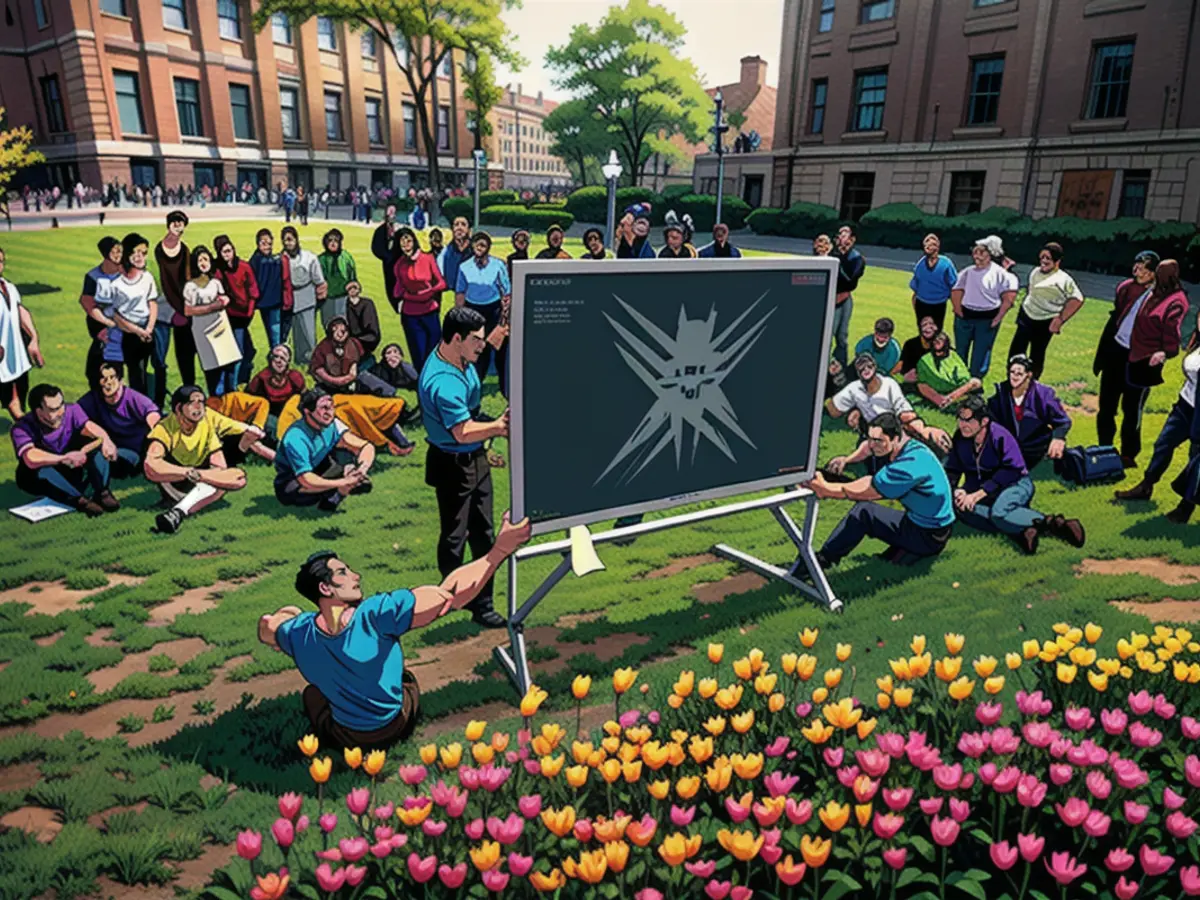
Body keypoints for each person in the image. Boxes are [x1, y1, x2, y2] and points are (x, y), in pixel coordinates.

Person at [257, 509, 533, 749]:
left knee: (313, 694)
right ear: (325, 588)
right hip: (392, 725)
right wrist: (498, 551)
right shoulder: (376, 614)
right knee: (405, 678)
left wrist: (289, 615)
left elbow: (267, 628)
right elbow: (448, 595)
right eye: (343, 572)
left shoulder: (299, 632)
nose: (356, 576)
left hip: (343, 734)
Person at [419, 306, 509, 629]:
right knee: (455, 538)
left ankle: (483, 604)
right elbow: (462, 432)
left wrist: (498, 334)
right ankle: (450, 598)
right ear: (457, 339)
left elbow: (483, 354)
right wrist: (498, 427)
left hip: (475, 461)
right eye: (476, 341)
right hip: (453, 465)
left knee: (484, 533)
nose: (482, 346)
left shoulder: (460, 356)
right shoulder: (443, 383)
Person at [806, 413, 955, 568]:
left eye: (878, 441)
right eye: (870, 439)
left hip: (929, 535)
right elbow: (869, 479)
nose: (871, 445)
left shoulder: (909, 464)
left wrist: (826, 489)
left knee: (864, 513)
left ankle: (820, 562)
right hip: (928, 525)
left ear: (896, 438)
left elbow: (868, 490)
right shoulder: (910, 447)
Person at [945, 394, 1084, 554]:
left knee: (998, 514)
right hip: (984, 490)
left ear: (984, 421)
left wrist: (977, 495)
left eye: (968, 420)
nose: (962, 425)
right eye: (960, 419)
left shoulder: (999, 436)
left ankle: (1055, 524)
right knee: (961, 508)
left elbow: (1012, 470)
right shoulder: (961, 438)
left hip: (1015, 483)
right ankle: (1021, 532)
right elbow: (953, 468)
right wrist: (958, 490)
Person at [1093, 254, 1188, 469]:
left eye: (1145, 269)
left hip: (1142, 359)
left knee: (1132, 408)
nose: (1138, 271)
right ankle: (1104, 447)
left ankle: (1128, 454)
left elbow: (1171, 330)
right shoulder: (1127, 288)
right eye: (1137, 266)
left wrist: (1165, 352)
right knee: (1107, 405)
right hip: (1117, 352)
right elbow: (1116, 316)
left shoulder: (1170, 299)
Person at [145, 385, 258, 534]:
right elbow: (150, 466)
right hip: (175, 481)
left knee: (239, 476)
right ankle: (180, 508)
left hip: (203, 481)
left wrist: (249, 430)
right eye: (193, 402)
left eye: (202, 402)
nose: (199, 407)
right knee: (220, 478)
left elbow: (231, 425)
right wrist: (188, 473)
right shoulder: (165, 427)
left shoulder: (208, 417)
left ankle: (178, 512)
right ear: (179, 408)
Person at [1116, 330, 1200, 520]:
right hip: (1185, 406)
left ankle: (1185, 508)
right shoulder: (1197, 342)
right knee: (1163, 443)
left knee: (1195, 460)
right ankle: (1146, 486)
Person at [824, 353, 952, 477]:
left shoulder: (888, 384)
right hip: (874, 430)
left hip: (895, 425)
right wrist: (854, 409)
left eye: (869, 366)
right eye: (862, 368)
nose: (866, 370)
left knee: (933, 440)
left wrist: (924, 430)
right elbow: (832, 410)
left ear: (875, 367)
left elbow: (903, 411)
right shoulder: (854, 389)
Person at [12, 383, 120, 516]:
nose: (60, 412)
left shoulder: (72, 410)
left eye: (61, 405)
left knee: (98, 449)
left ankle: (102, 492)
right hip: (42, 473)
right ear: (38, 411)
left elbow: (89, 426)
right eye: (53, 409)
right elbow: (30, 458)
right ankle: (79, 501)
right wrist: (63, 459)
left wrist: (106, 440)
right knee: (44, 470)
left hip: (71, 467)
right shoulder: (22, 427)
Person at [274, 387, 376, 511]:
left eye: (332, 407)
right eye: (324, 408)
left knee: (346, 454)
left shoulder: (333, 424)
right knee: (304, 488)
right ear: (307, 411)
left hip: (319, 467)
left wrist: (362, 470)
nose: (330, 413)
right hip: (292, 481)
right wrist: (344, 482)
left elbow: (365, 446)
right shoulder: (295, 437)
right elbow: (306, 479)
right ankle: (334, 495)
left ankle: (336, 495)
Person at [1007, 243, 1084, 380]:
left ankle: (1031, 385)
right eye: (1042, 257)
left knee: (1037, 354)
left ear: (1057, 261)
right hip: (1027, 315)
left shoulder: (1063, 279)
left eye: (1048, 258)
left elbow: (1077, 300)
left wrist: (1060, 320)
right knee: (1016, 351)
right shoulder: (1035, 272)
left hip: (1045, 321)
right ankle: (1011, 382)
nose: (1044, 261)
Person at [96, 233, 158, 396]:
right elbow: (115, 315)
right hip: (128, 334)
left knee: (147, 370)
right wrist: (138, 331)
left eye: (143, 253)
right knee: (134, 374)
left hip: (148, 330)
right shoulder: (116, 283)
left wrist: (149, 328)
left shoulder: (147, 277)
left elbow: (152, 302)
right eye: (135, 252)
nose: (139, 257)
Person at [987, 354, 1071, 472]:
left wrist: (1058, 438)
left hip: (1036, 447)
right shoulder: (1000, 393)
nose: (1015, 377)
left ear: (1029, 375)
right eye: (1012, 372)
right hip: (1006, 446)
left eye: (1019, 374)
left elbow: (1063, 421)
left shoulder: (1043, 394)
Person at [950, 235, 1018, 380]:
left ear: (991, 254)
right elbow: (956, 290)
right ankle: (960, 379)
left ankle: (975, 381)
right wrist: (958, 310)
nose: (977, 256)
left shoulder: (1000, 273)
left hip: (987, 319)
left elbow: (1009, 297)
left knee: (981, 353)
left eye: (982, 253)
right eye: (975, 252)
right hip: (965, 317)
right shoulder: (968, 272)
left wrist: (998, 318)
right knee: (960, 350)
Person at [77, 361, 161, 478]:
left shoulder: (135, 398)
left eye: (112, 377)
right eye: (104, 378)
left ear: (120, 380)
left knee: (104, 461)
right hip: (108, 446)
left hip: (133, 451)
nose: (108, 383)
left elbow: (154, 417)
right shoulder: (94, 397)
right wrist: (104, 439)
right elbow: (74, 416)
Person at [454, 231, 512, 399]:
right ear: (472, 246)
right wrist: (460, 316)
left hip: (494, 311)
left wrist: (504, 318)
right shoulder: (464, 266)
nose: (479, 248)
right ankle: (474, 388)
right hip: (473, 312)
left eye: (483, 245)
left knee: (501, 352)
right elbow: (460, 292)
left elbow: (506, 293)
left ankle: (505, 388)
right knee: (478, 353)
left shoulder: (498, 265)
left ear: (488, 248)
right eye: (477, 244)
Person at [183, 245, 241, 396]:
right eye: (200, 260)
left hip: (220, 327)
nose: (203, 262)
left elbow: (223, 297)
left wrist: (226, 300)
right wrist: (212, 307)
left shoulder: (215, 282)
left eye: (206, 259)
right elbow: (188, 310)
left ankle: (230, 397)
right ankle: (215, 399)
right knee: (212, 368)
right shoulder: (190, 286)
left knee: (228, 364)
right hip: (203, 329)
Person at [151, 211, 195, 408]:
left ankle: (190, 394)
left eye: (181, 223)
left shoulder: (185, 250)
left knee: (185, 357)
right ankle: (158, 400)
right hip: (161, 310)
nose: (178, 226)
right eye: (175, 223)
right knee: (159, 360)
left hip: (180, 310)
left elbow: (187, 279)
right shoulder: (157, 250)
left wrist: (184, 306)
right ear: (168, 225)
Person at [393, 226, 446, 373]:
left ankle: (435, 378)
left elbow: (441, 283)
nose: (405, 245)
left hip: (429, 311)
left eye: (408, 241)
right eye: (402, 243)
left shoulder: (427, 258)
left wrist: (429, 292)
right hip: (411, 314)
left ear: (414, 241)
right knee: (418, 353)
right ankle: (422, 383)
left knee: (435, 349)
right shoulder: (399, 265)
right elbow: (397, 290)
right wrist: (409, 295)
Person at [0, 247, 44, 418]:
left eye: (1, 261)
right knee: (12, 401)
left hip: (17, 356)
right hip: (2, 359)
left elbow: (20, 312)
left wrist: (33, 339)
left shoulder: (9, 287)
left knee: (19, 398)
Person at [211, 235, 260, 387]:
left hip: (243, 316)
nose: (227, 254)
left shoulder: (244, 267)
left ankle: (241, 380)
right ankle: (229, 386)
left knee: (248, 351)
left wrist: (250, 311)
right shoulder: (218, 271)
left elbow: (253, 290)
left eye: (229, 250)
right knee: (234, 354)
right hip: (228, 318)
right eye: (223, 251)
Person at [310, 316, 395, 398]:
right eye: (335, 330)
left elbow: (354, 368)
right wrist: (334, 380)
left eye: (342, 330)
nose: (340, 334)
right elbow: (318, 370)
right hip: (328, 384)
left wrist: (349, 377)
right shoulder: (322, 347)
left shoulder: (353, 343)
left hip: (352, 380)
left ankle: (389, 393)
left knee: (365, 378)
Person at [80, 237, 125, 381]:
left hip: (126, 329)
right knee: (93, 371)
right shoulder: (94, 276)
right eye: (114, 251)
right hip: (103, 330)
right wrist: (104, 325)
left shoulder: (128, 275)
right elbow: (88, 304)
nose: (119, 254)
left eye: (120, 251)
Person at [282, 226, 327, 367]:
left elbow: (319, 280)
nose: (288, 243)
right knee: (296, 332)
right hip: (290, 298)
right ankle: (299, 358)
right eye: (285, 240)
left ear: (296, 239)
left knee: (309, 333)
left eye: (290, 239)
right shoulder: (281, 258)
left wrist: (320, 297)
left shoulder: (310, 257)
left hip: (307, 295)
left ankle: (314, 360)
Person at [247, 343, 306, 440]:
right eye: (276, 357)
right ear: (270, 359)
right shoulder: (261, 378)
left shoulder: (294, 377)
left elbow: (305, 399)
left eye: (283, 358)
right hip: (268, 415)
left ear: (288, 361)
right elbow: (249, 401)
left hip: (290, 414)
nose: (279, 361)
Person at [249, 228, 293, 350]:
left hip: (270, 303)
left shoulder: (258, 259)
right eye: (264, 243)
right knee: (275, 333)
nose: (267, 246)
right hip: (270, 302)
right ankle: (278, 355)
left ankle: (276, 353)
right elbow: (269, 263)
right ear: (258, 244)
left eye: (269, 244)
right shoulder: (259, 260)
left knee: (274, 333)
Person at [916, 332, 983, 410]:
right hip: (936, 390)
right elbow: (922, 380)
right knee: (921, 385)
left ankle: (948, 400)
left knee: (975, 382)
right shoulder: (924, 360)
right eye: (935, 340)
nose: (937, 341)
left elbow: (964, 375)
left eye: (940, 339)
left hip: (955, 389)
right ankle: (943, 401)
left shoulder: (953, 355)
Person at [830, 224, 865, 369]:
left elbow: (850, 282)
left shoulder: (857, 259)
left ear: (852, 239)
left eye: (845, 234)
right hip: (830, 299)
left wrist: (838, 262)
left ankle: (841, 366)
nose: (841, 237)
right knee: (828, 335)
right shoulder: (831, 253)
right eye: (840, 234)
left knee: (842, 336)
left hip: (844, 300)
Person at [909, 234, 957, 331]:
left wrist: (956, 306)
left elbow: (954, 286)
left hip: (939, 303)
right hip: (922, 303)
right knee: (923, 332)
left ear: (937, 247)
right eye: (926, 245)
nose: (928, 247)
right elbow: (915, 289)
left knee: (936, 332)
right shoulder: (920, 265)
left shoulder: (946, 264)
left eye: (932, 244)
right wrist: (916, 308)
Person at [318, 228, 356, 331]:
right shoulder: (321, 259)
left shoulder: (346, 257)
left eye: (336, 240)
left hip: (343, 297)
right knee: (327, 324)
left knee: (343, 324)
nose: (333, 243)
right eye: (330, 240)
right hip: (327, 298)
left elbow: (353, 277)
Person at [371, 204, 402, 311]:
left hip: (400, 261)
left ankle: (401, 301)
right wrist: (386, 256)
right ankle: (395, 303)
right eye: (390, 212)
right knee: (390, 283)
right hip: (388, 262)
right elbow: (376, 247)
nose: (392, 215)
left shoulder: (400, 230)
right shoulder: (380, 231)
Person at [437, 217, 474, 304]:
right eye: (456, 225)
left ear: (469, 230)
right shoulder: (445, 252)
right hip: (451, 297)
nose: (459, 228)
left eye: (463, 225)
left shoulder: (476, 251)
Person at [895, 315, 940, 387]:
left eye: (931, 324)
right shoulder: (910, 344)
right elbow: (900, 365)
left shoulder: (940, 344)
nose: (928, 327)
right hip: (912, 382)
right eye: (924, 324)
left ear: (936, 328)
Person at [345, 281, 381, 366]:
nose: (352, 291)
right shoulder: (344, 304)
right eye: (350, 289)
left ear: (359, 290)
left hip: (365, 342)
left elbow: (372, 329)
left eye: (355, 288)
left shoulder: (367, 304)